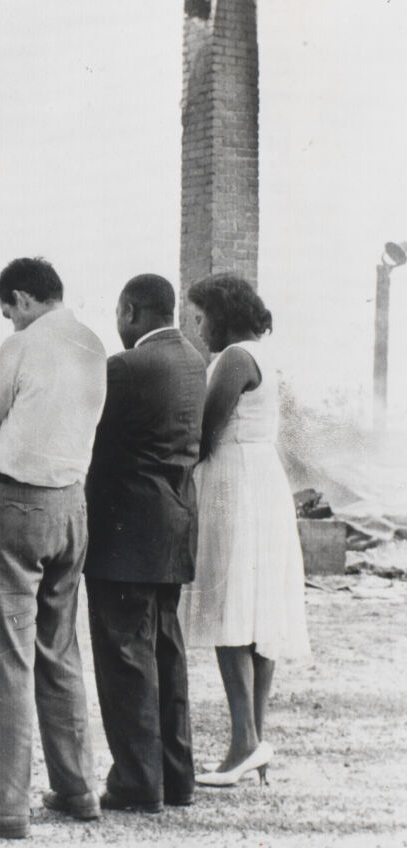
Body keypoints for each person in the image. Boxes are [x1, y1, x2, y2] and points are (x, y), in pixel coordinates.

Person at [0, 257, 107, 840]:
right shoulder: (92, 343)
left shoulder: (23, 345)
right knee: (60, 648)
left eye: (9, 311)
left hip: (18, 508)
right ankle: (76, 786)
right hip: (71, 507)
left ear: (22, 298)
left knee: (7, 653)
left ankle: (4, 802)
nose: (10, 322)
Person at [179, 273, 310, 786]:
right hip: (261, 477)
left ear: (223, 315)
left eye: (202, 316)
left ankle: (244, 741)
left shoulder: (233, 357)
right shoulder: (262, 354)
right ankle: (251, 737)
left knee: (230, 604)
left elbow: (207, 429)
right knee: (257, 608)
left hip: (236, 480)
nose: (199, 326)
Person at [83, 274, 207, 813]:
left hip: (125, 533)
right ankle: (176, 778)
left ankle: (136, 782)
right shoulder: (194, 362)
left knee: (124, 656)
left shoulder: (124, 367)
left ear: (130, 310)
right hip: (173, 528)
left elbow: (91, 439)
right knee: (166, 653)